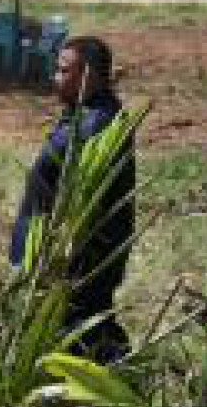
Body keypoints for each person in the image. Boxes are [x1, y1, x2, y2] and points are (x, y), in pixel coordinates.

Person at [10, 36, 134, 361]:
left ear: (88, 75)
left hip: (78, 261)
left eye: (63, 71)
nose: (55, 78)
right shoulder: (83, 113)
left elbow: (79, 203)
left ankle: (111, 384)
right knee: (80, 329)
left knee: (83, 331)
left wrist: (56, 258)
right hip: (56, 253)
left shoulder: (96, 125)